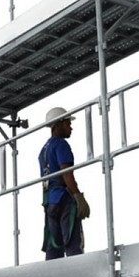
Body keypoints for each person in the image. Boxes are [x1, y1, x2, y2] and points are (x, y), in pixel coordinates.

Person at [39, 107, 91, 260]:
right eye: (68, 124)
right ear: (58, 124)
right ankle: (78, 275)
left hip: (50, 201)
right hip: (64, 199)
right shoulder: (61, 144)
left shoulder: (43, 150)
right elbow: (66, 173)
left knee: (54, 245)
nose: (70, 127)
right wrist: (78, 197)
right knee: (73, 244)